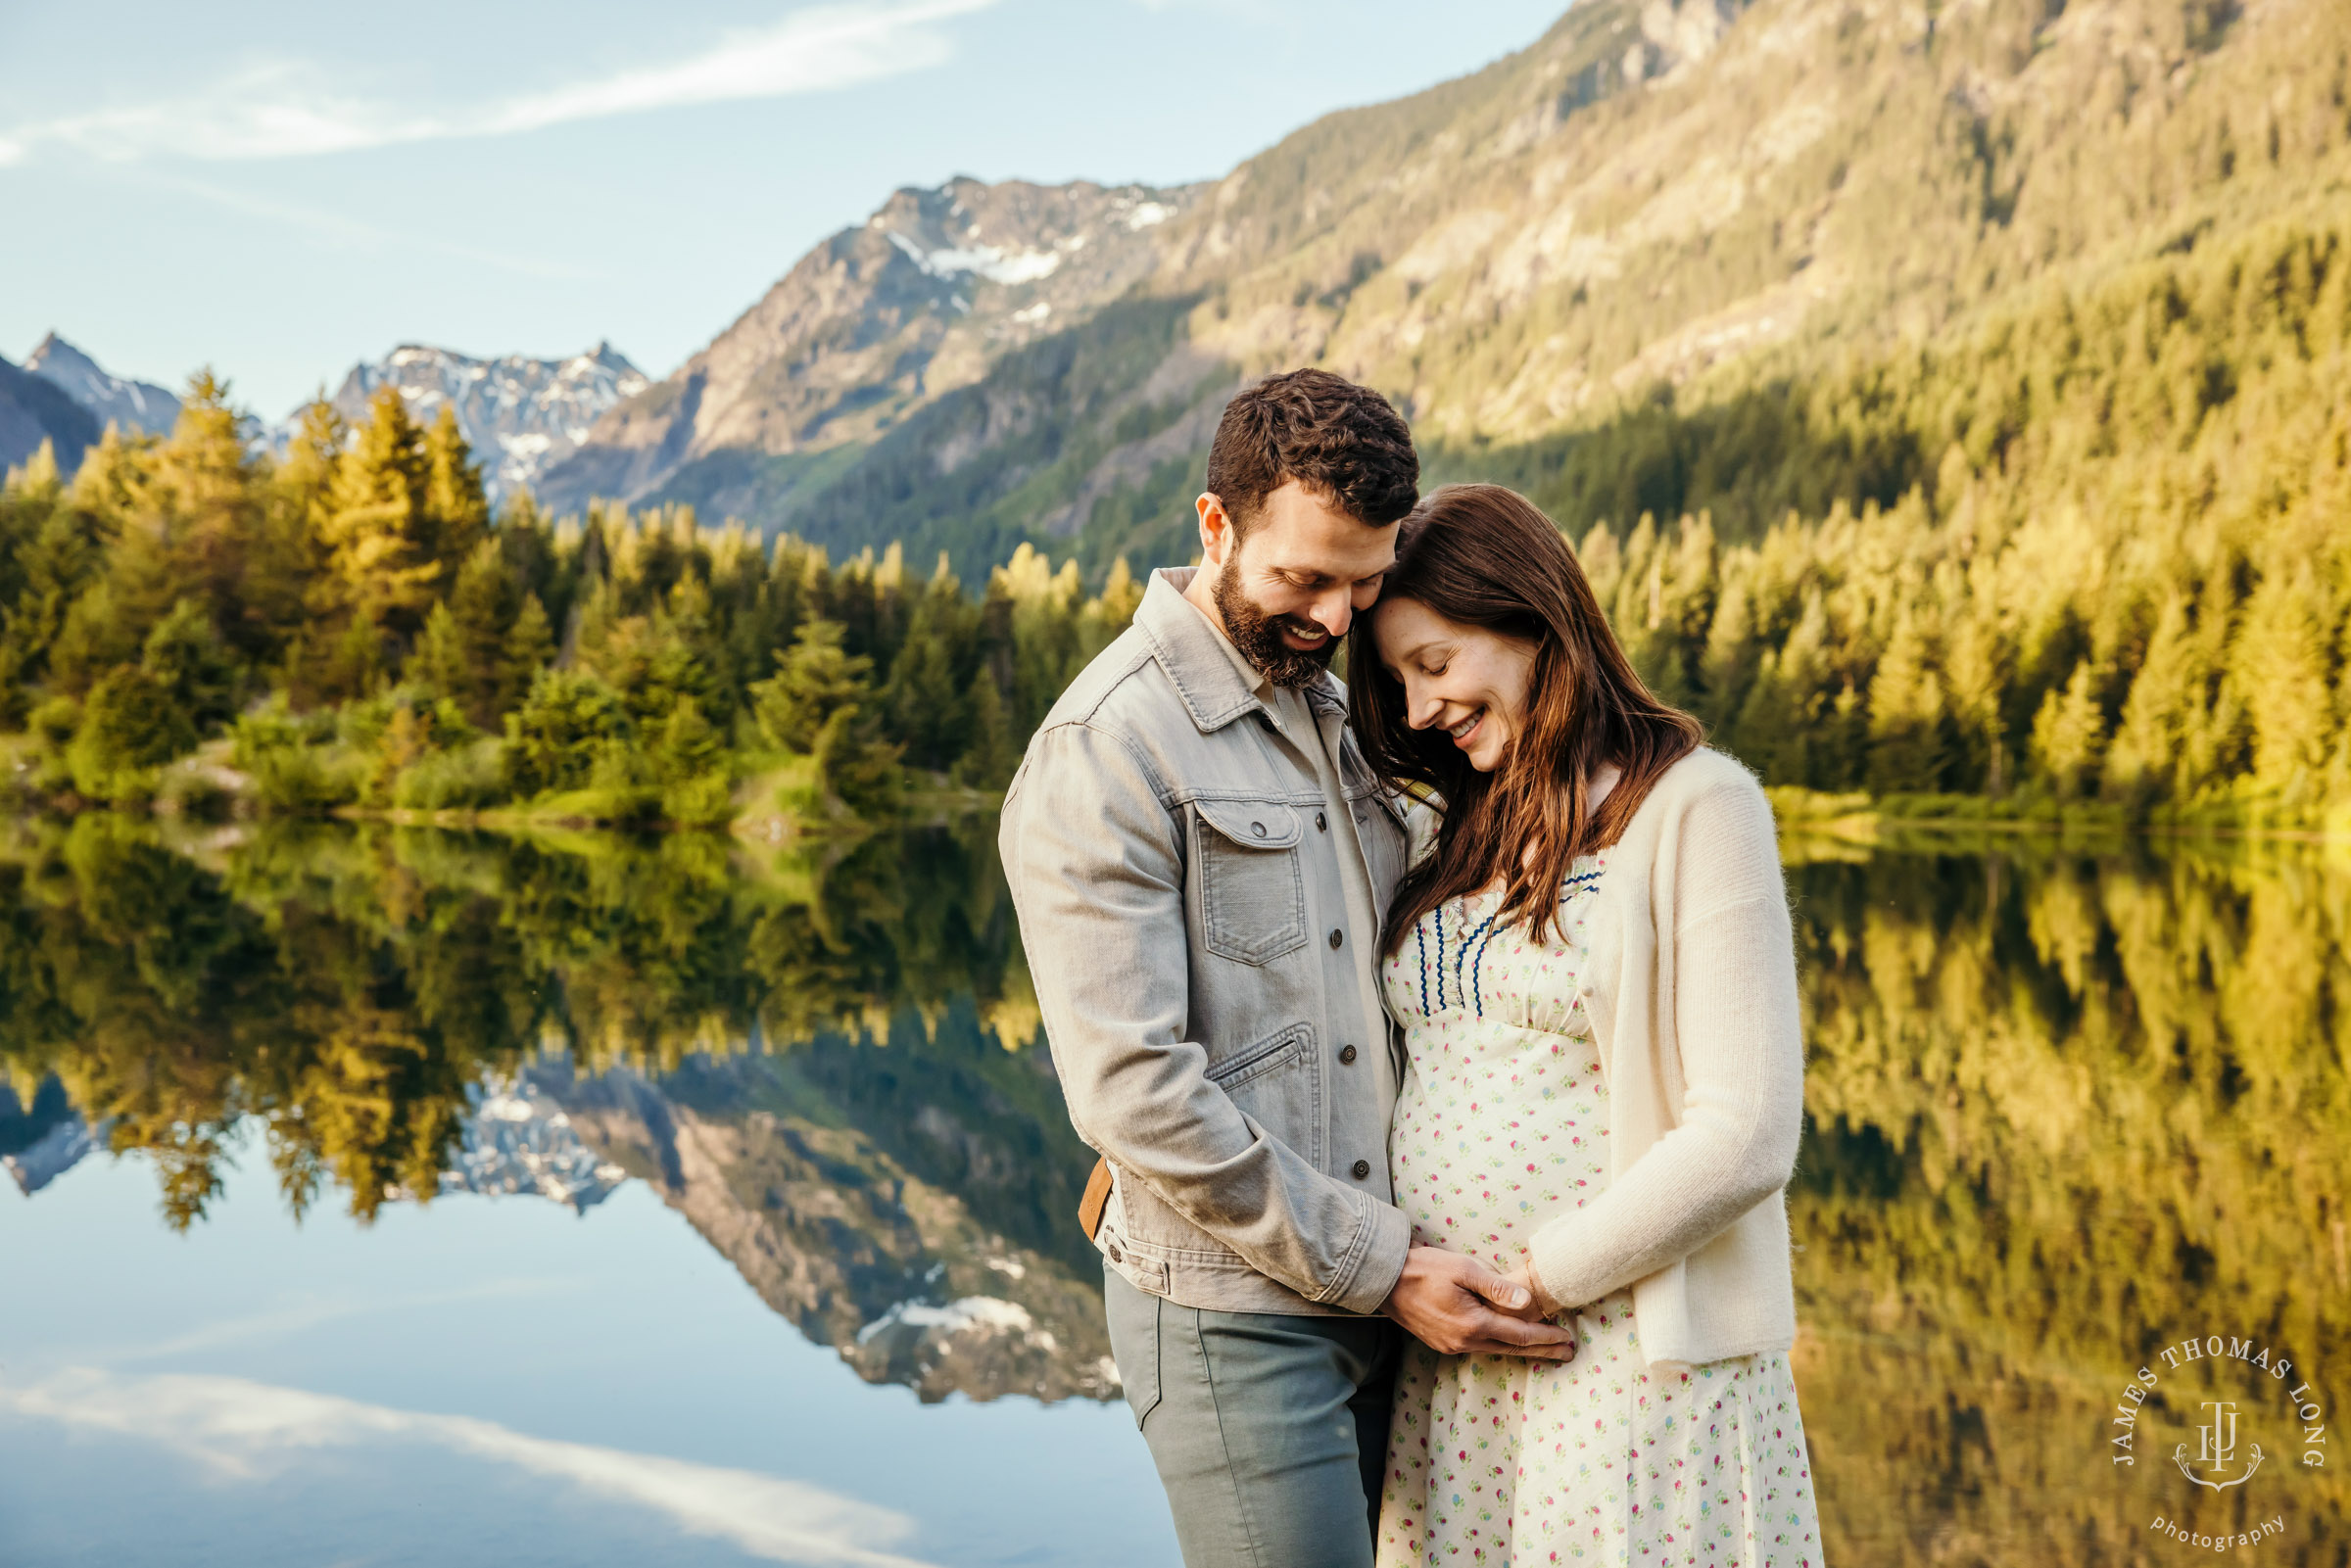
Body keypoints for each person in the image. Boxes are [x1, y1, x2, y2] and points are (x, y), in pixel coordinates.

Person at [998, 374, 1577, 1568]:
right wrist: (1382, 1264)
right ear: (1217, 526)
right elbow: (1132, 1090)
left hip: (1397, 1299)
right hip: (1236, 1321)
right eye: (1303, 578)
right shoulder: (1104, 749)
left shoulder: (1336, 706)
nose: (1334, 613)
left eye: (1364, 582)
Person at [1351, 483, 1824, 1566]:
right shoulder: (1453, 823)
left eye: (1435, 663)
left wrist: (1533, 1282)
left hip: (1620, 1353)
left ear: (1531, 620)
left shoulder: (1698, 806)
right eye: (1395, 680)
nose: (1419, 708)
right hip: (1452, 1366)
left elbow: (1746, 1129)